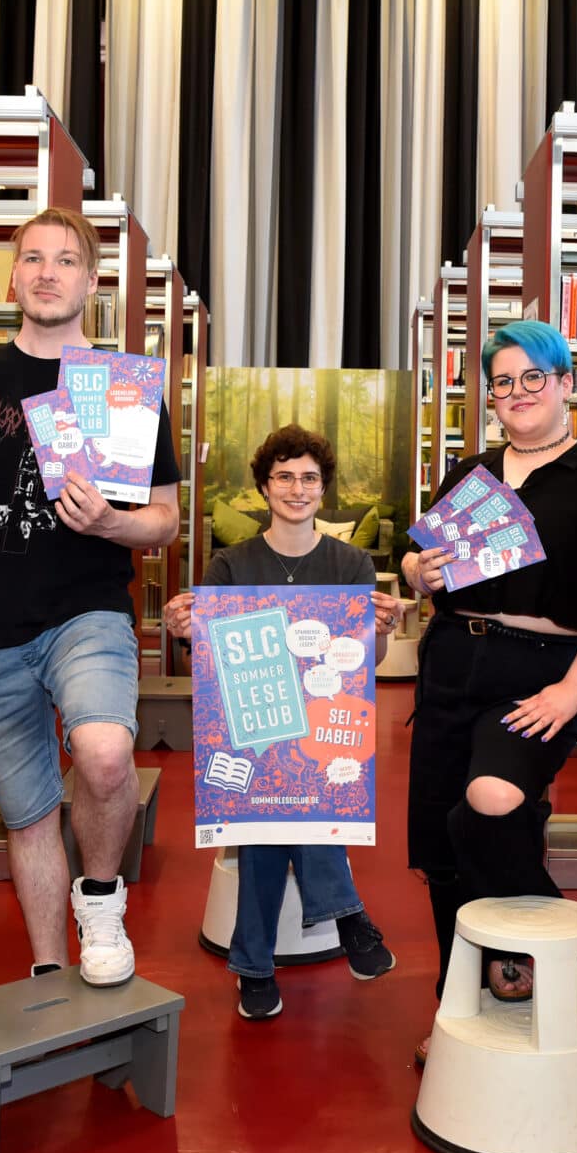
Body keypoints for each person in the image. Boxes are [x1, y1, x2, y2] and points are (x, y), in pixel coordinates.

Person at [0, 207, 181, 986]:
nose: (48, 272)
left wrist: (112, 522)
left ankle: (100, 900)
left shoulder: (125, 389)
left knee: (105, 756)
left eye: (67, 260)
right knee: (29, 811)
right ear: (13, 277)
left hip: (89, 610)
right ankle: (49, 968)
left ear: (92, 281)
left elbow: (166, 521)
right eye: (34, 258)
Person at [402, 320, 577, 1063]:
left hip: (541, 669)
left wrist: (573, 688)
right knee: (441, 847)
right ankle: (458, 999)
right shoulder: (470, 472)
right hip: (451, 658)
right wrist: (418, 573)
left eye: (533, 377)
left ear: (566, 383)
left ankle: (540, 950)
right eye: (503, 381)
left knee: (492, 800)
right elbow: (417, 561)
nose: (517, 392)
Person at [163, 425, 403, 1019]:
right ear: (265, 487)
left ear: (323, 489)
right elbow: (206, 664)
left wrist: (380, 630)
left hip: (324, 724)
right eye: (285, 477)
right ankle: (348, 916)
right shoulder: (231, 564)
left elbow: (363, 662)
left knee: (281, 796)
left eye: (309, 478)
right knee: (276, 771)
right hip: (252, 723)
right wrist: (185, 631)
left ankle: (254, 967)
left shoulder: (350, 563)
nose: (298, 489)